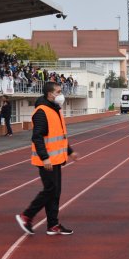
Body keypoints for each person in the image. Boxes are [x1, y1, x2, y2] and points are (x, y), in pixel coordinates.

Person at [16, 82, 78, 235]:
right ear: (50, 94)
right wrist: (45, 158)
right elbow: (37, 137)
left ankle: (52, 225)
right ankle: (27, 215)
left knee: (55, 192)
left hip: (56, 158)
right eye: (58, 92)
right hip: (47, 160)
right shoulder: (42, 112)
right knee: (50, 190)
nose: (61, 94)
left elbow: (60, 135)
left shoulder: (55, 109)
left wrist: (69, 151)